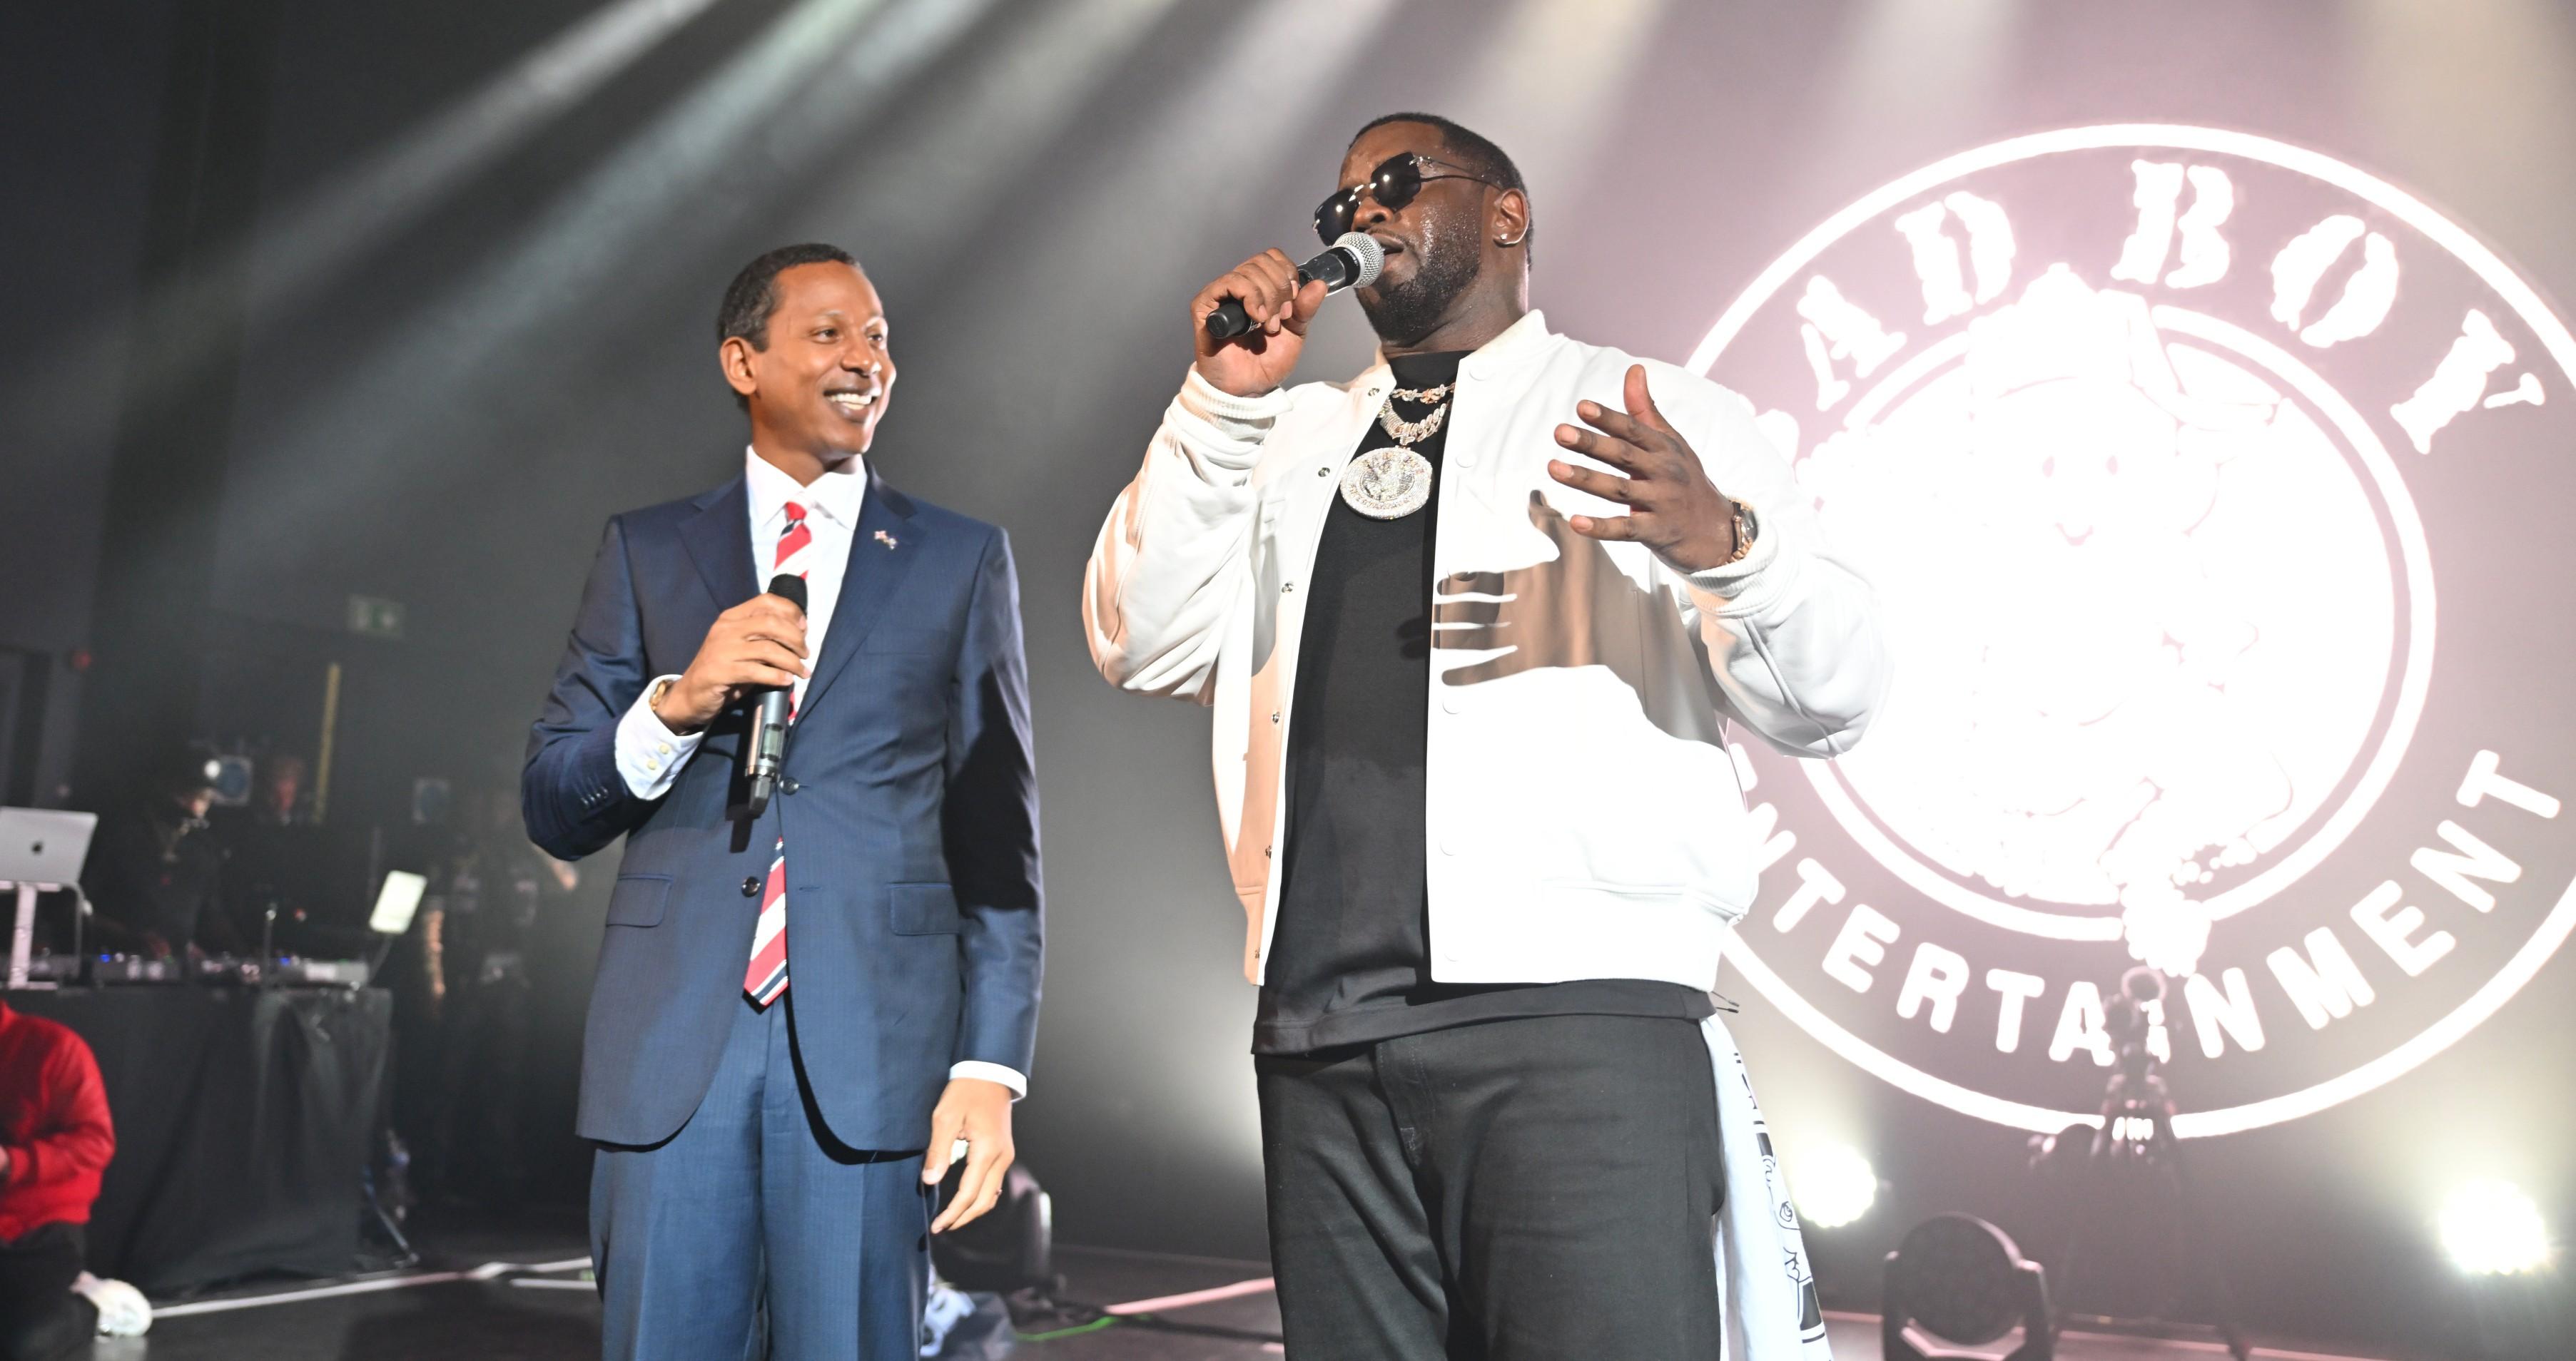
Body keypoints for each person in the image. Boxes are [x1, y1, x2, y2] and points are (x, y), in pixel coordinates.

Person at [1082, 113, 1890, 1359]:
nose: (1361, 210)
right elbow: (1141, 640)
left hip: (1578, 1027)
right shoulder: (1290, 435)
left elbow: (1833, 697)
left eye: (1396, 181)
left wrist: (1727, 546)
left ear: (1507, 213)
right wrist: (1217, 403)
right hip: (1322, 1030)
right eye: (1340, 199)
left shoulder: (1656, 412)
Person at [523, 243, 1043, 1360]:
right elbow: (554, 802)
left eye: (880, 338)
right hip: (674, 1054)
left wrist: (990, 1068)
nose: (867, 360)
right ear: (741, 361)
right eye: (830, 334)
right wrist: (679, 700)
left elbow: (1001, 843)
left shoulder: (958, 560)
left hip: (869, 1057)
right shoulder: (649, 549)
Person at [0, 1000, 145, 1358]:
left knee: (25, 1344)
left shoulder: (53, 1047)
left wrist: (11, 1162)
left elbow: (95, 1143)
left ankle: (95, 1305)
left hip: (40, 1229)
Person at [81, 745, 245, 960]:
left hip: (177, 973)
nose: (196, 806)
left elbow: (212, 916)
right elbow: (79, 909)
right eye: (188, 795)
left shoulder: (203, 850)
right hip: (116, 965)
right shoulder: (121, 838)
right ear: (168, 788)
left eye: (204, 799)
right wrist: (130, 938)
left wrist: (245, 953)